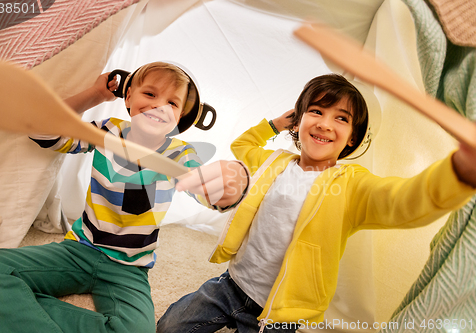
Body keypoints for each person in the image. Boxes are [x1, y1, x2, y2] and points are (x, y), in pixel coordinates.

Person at [156, 73, 476, 333]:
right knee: (169, 327)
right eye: (317, 112)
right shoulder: (273, 161)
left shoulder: (352, 184)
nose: (324, 123)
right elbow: (242, 144)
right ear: (299, 122)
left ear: (352, 137)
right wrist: (276, 124)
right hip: (231, 284)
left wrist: (457, 172)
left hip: (282, 313)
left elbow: (403, 201)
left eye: (341, 118)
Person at [0, 62, 249, 333]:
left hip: (129, 268)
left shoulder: (181, 154)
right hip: (77, 250)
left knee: (137, 330)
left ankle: (15, 307)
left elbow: (212, 196)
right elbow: (43, 130)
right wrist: (96, 95)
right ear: (128, 97)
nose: (160, 107)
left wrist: (231, 184)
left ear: (180, 118)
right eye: (150, 94)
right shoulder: (108, 130)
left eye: (172, 103)